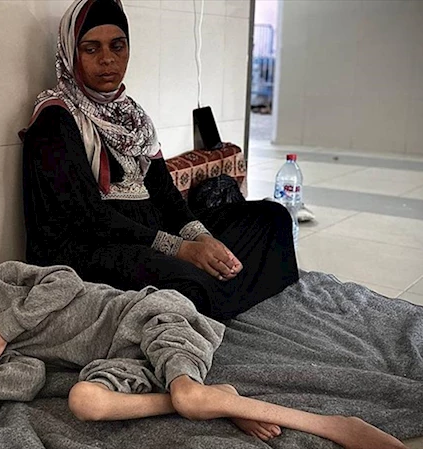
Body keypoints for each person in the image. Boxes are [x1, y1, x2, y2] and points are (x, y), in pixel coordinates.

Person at [0, 261, 406, 449]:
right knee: (84, 401)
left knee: (188, 396)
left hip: (144, 317)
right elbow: (26, 382)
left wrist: (3, 332)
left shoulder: (5, 283)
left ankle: (334, 426)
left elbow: (64, 281)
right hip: (118, 361)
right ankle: (210, 400)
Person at [20, 0, 298, 322]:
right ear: (71, 53)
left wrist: (202, 238)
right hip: (94, 250)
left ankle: (213, 291)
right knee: (188, 283)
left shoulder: (132, 117)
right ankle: (213, 290)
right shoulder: (56, 119)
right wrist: (181, 250)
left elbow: (166, 194)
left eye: (117, 46)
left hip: (154, 235)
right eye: (91, 49)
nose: (107, 59)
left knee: (272, 218)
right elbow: (89, 216)